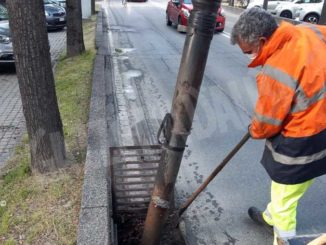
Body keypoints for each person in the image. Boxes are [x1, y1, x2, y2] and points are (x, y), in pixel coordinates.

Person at [230, 7, 326, 245]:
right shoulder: (308, 30)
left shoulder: (276, 69)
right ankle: (270, 217)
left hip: (304, 137)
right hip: (322, 125)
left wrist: (254, 130)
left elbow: (267, 123)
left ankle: (282, 238)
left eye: (249, 52)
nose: (250, 57)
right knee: (290, 188)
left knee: (285, 195)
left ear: (262, 41)